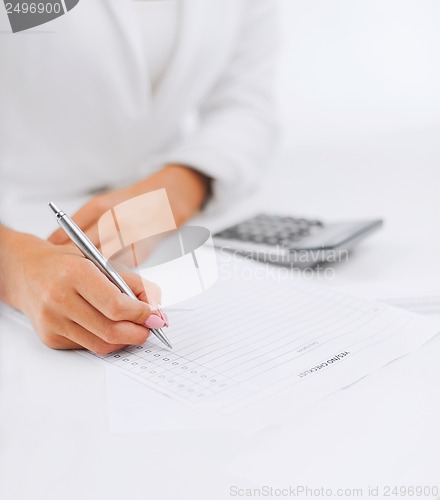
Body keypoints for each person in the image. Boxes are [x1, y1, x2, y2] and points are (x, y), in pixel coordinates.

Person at [0, 0, 278, 353]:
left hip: (163, 227)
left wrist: (177, 189)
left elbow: (246, 104)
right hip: (20, 218)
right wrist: (13, 266)